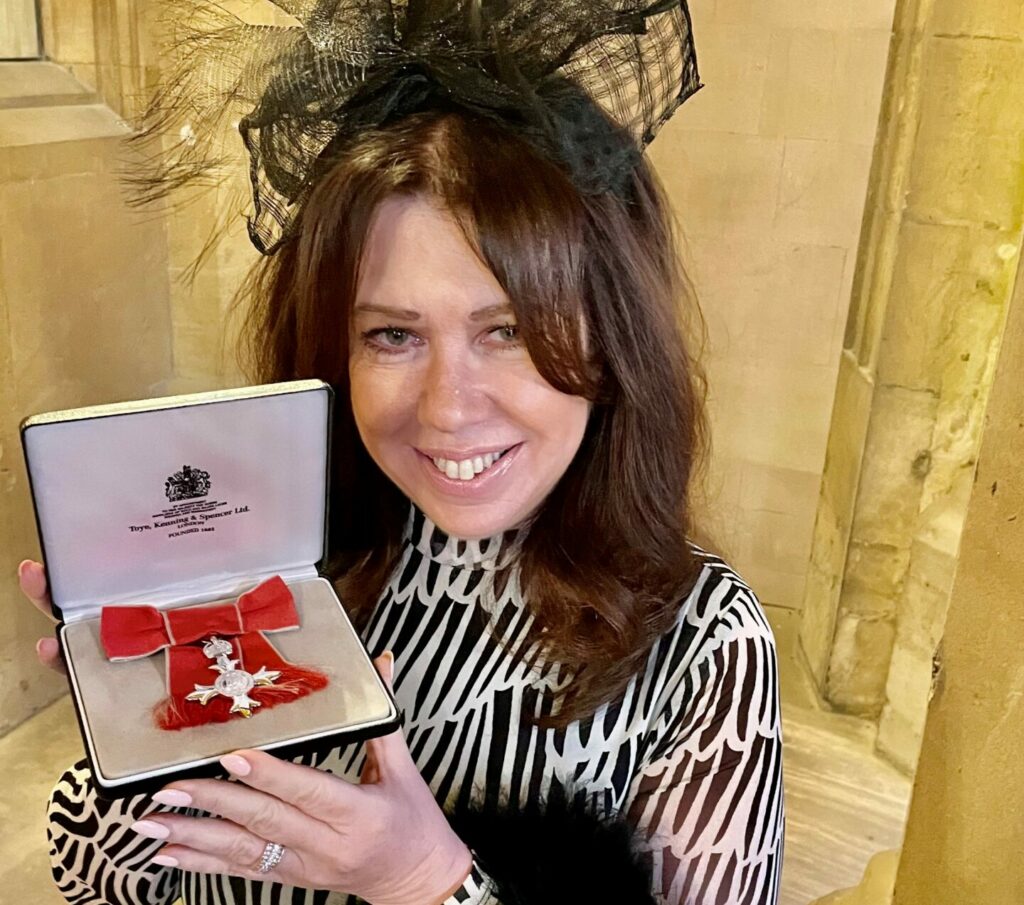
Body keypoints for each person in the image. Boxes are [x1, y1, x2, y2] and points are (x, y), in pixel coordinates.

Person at [21, 3, 784, 903]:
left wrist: (425, 878)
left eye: (507, 329)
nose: (448, 407)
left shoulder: (703, 645)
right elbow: (106, 874)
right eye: (392, 335)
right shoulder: (287, 573)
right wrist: (148, 738)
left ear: (612, 342)